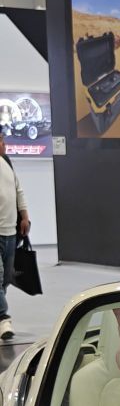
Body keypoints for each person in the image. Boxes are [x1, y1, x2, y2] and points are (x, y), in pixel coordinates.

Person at [0, 134, 31, 341]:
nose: (5, 144)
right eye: (1, 141)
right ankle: (4, 318)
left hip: (10, 232)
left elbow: (18, 191)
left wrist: (25, 216)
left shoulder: (7, 162)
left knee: (6, 279)